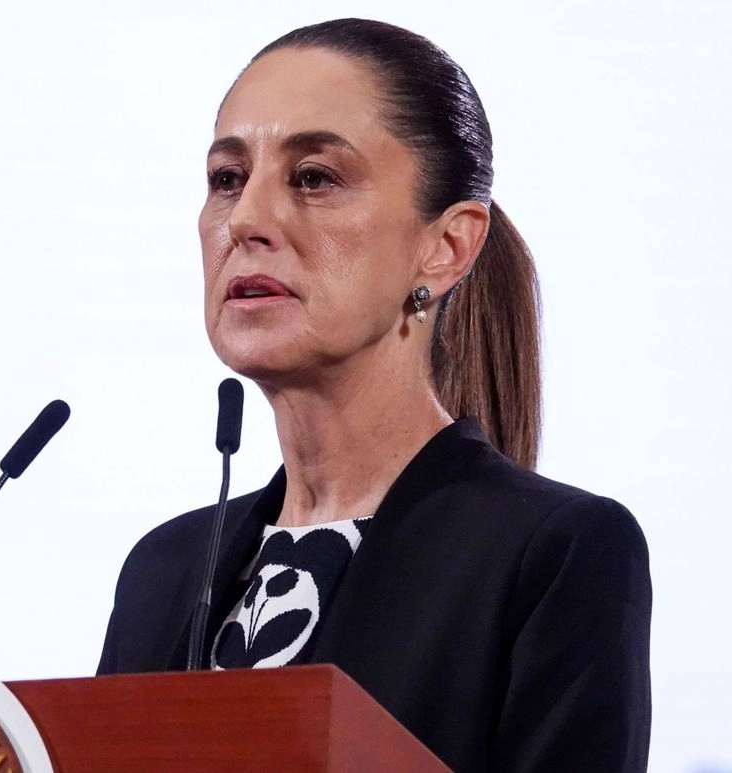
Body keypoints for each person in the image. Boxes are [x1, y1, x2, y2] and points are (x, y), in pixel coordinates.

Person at [96, 18, 651, 772]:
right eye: (228, 178)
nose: (248, 220)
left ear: (446, 245)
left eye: (314, 177)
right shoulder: (164, 570)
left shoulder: (552, 555)